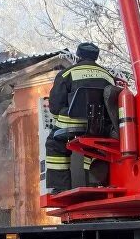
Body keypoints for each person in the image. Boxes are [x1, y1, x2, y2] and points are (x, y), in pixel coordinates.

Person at [44, 42, 114, 192]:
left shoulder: (66, 73)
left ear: (78, 56)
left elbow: (55, 107)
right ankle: (96, 184)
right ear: (96, 57)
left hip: (73, 124)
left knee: (54, 144)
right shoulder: (108, 76)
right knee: (94, 147)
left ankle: (60, 187)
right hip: (100, 126)